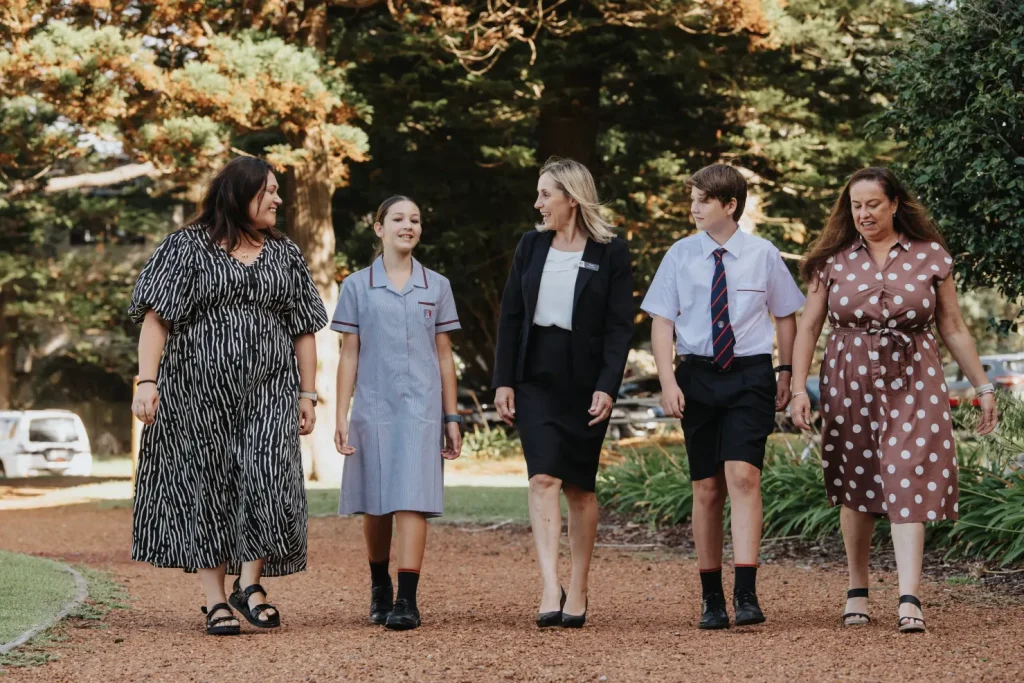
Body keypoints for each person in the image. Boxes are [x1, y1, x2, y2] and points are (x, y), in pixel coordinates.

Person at [790, 167, 998, 633]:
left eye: (872, 205)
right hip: (848, 376)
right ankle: (857, 589)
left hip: (915, 376)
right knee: (857, 479)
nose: (863, 214)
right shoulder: (833, 260)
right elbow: (808, 327)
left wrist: (983, 387)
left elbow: (953, 327)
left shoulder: (931, 256)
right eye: (856, 206)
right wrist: (799, 388)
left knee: (910, 475)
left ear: (895, 204)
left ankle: (909, 597)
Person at [128, 156, 328, 636]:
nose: (279, 199)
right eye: (270, 190)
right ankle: (215, 599)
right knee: (210, 487)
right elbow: (157, 320)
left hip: (269, 392)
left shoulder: (284, 254)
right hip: (197, 395)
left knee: (267, 479)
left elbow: (303, 329)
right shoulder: (186, 247)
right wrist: (147, 381)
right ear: (240, 194)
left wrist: (307, 393)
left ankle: (251, 584)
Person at [641, 164, 804, 630]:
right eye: (692, 199)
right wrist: (668, 382)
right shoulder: (679, 255)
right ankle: (712, 598)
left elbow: (786, 315)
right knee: (706, 487)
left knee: (743, 477)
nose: (693, 208)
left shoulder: (763, 254)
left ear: (729, 205)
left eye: (703, 200)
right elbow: (661, 320)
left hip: (750, 375)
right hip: (696, 376)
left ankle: (746, 593)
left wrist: (786, 371)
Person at [493, 157, 634, 629]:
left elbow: (619, 328)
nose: (538, 203)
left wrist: (607, 387)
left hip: (586, 382)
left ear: (571, 198)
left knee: (579, 487)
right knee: (542, 479)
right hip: (536, 376)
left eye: (545, 194)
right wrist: (504, 381)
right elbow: (511, 316)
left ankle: (579, 586)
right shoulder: (531, 246)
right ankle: (550, 583)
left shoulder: (610, 251)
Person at [332, 195, 463, 631]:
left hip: (422, 408)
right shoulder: (356, 286)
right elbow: (349, 354)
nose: (408, 226)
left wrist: (452, 417)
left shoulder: (437, 286)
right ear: (379, 227)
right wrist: (340, 415)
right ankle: (378, 587)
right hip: (372, 407)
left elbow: (444, 356)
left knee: (412, 499)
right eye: (398, 219)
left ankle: (406, 600)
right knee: (377, 503)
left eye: (415, 220)